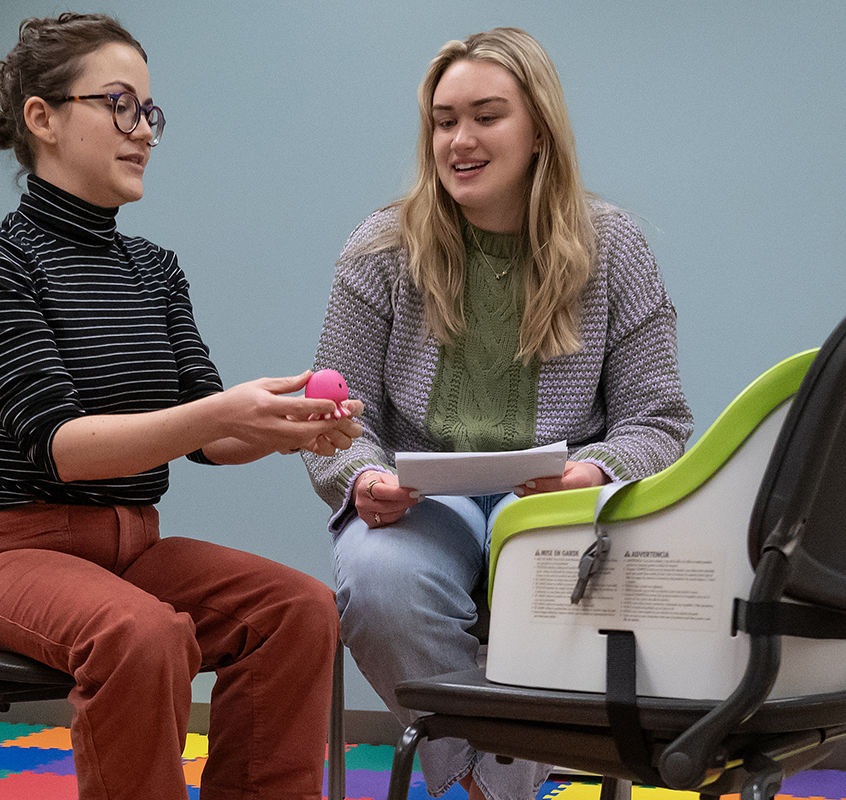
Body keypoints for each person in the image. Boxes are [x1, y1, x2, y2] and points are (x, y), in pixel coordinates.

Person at [0, 13, 362, 800]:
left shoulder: (154, 268)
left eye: (150, 112)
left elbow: (206, 433)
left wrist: (280, 429)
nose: (145, 131)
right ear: (44, 118)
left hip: (131, 548)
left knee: (299, 610)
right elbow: (61, 445)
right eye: (121, 105)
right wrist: (223, 414)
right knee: (142, 634)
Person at [302, 27, 694, 800]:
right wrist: (363, 478)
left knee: (554, 612)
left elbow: (660, 421)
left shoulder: (614, 247)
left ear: (539, 128)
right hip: (421, 500)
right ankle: (495, 790)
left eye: (486, 115)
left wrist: (594, 471)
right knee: (378, 589)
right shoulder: (380, 249)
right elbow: (333, 417)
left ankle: (485, 788)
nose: (460, 139)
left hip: (561, 506)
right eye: (444, 121)